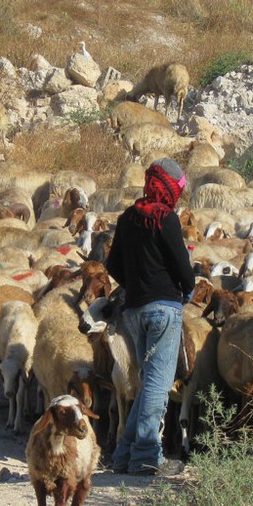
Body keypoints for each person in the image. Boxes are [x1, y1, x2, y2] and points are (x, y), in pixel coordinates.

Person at [105, 157, 195, 475]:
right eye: (178, 188)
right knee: (158, 385)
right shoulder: (166, 218)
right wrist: (187, 288)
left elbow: (112, 265)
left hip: (134, 311)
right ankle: (146, 456)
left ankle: (124, 455)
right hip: (164, 309)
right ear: (169, 188)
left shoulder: (128, 217)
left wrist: (133, 284)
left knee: (147, 384)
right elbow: (182, 264)